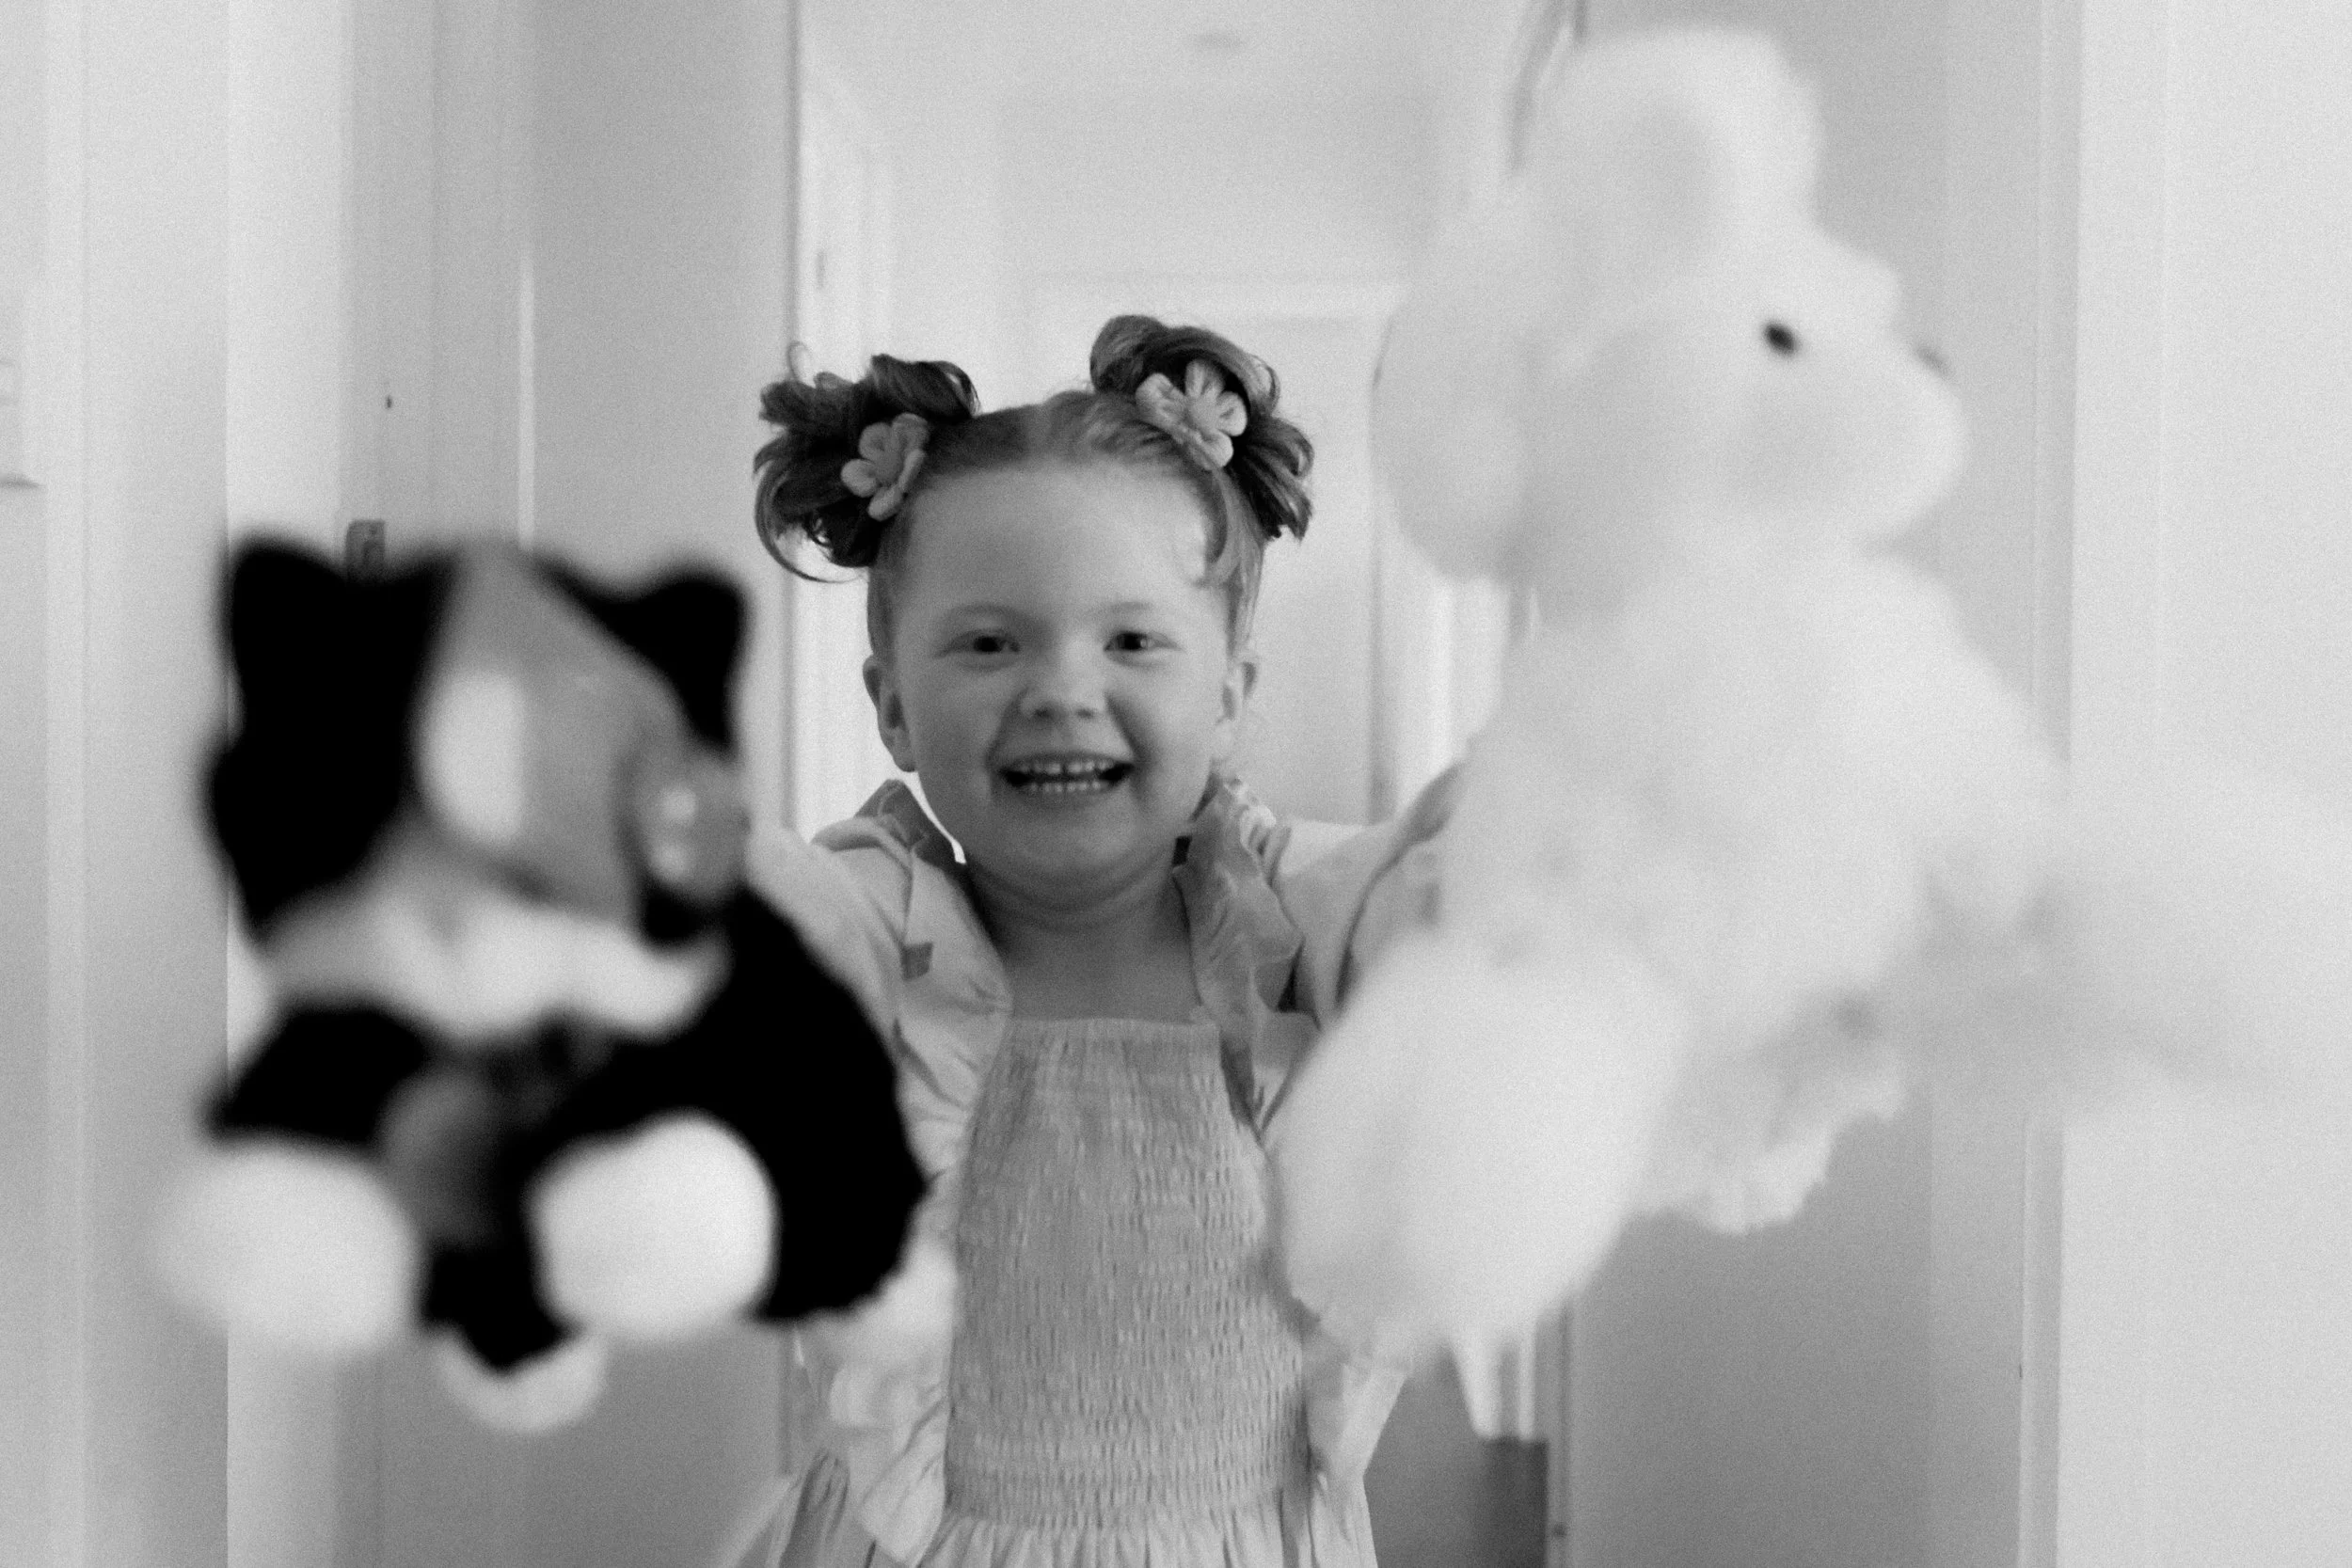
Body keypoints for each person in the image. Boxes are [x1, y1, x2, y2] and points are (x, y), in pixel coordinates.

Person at [744, 315, 1454, 1568]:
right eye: (988, 640)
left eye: (1131, 640)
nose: (1063, 686)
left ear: (1228, 693)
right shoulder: (878, 914)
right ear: (894, 704)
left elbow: (1436, 907)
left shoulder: (1292, 922)